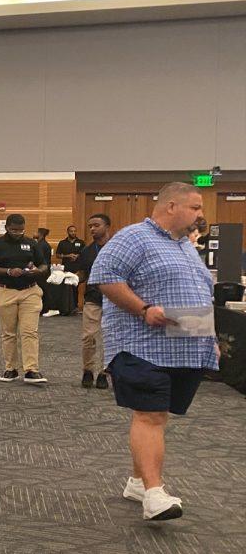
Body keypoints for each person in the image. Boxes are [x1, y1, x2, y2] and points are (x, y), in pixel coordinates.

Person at [88, 182, 217, 522]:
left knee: (156, 415)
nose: (201, 215)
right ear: (171, 207)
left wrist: (209, 337)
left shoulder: (186, 247)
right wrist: (143, 308)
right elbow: (105, 277)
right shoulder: (134, 237)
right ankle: (155, 494)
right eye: (196, 208)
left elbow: (195, 292)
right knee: (151, 414)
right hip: (140, 345)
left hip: (184, 347)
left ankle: (137, 483)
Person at [0, 213, 49, 384]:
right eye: (14, 230)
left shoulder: (31, 243)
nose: (18, 233)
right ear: (6, 227)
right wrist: (7, 271)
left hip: (30, 291)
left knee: (30, 331)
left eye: (21, 230)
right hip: (4, 291)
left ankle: (31, 370)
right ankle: (10, 369)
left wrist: (39, 270)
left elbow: (43, 264)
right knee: (9, 333)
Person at [77, 214, 111, 390]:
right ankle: (88, 370)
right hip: (93, 299)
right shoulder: (87, 251)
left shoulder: (118, 248)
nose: (92, 229)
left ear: (107, 227)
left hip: (115, 300)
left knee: (110, 338)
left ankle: (104, 373)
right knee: (89, 337)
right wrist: (73, 278)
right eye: (90, 226)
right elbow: (83, 273)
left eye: (96, 225)